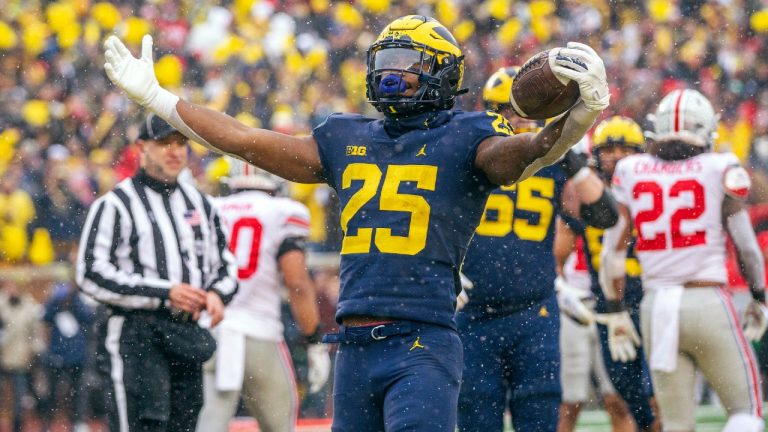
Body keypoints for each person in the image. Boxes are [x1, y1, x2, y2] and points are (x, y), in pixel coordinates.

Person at [101, 15, 610, 430]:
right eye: (384, 62)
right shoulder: (346, 137)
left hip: (422, 340)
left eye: (406, 65)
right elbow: (242, 139)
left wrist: (580, 115)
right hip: (354, 346)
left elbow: (530, 152)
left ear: (442, 73)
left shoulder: (468, 135)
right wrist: (158, 99)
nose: (391, 75)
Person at [456, 67, 617, 432]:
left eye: (528, 114)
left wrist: (571, 159)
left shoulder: (553, 160)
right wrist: (444, 269)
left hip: (534, 310)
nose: (519, 122)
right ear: (491, 114)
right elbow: (429, 216)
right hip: (474, 311)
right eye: (510, 113)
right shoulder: (468, 155)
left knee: (541, 414)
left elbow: (604, 214)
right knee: (477, 415)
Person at [599, 88, 765, 432]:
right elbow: (746, 246)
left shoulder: (632, 170)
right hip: (706, 299)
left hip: (656, 305)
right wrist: (759, 296)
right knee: (746, 410)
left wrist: (614, 309)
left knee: (676, 424)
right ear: (706, 128)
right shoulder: (720, 166)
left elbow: (612, 251)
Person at [76, 114, 239, 432]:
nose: (175, 151)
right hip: (134, 334)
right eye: (164, 143)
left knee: (184, 424)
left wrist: (218, 294)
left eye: (180, 143)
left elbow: (225, 263)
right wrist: (164, 291)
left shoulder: (201, 204)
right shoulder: (115, 205)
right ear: (142, 148)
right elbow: (90, 273)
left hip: (185, 333)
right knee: (142, 424)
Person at [196, 159, 329, 432]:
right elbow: (297, 283)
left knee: (208, 424)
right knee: (280, 426)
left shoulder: (209, 208)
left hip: (210, 331)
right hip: (259, 333)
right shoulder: (282, 211)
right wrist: (315, 339)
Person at [560, 116, 660, 431]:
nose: (616, 156)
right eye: (610, 149)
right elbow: (559, 249)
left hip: (647, 300)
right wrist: (561, 288)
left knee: (656, 393)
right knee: (624, 393)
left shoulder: (651, 188)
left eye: (625, 149)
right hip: (606, 307)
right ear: (596, 154)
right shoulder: (583, 193)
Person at [553, 230, 634, 432]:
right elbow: (554, 262)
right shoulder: (570, 212)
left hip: (610, 308)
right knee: (569, 403)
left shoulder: (612, 209)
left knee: (618, 400)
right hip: (572, 307)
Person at [41, 280, 95, 432]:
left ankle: (77, 423)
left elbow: (89, 317)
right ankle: (48, 423)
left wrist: (74, 301)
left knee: (77, 394)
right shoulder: (55, 308)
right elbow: (45, 316)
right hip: (57, 358)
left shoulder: (77, 305)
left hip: (77, 358)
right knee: (52, 393)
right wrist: (56, 301)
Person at [0, 279, 45, 432]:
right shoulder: (2, 305)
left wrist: (34, 351)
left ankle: (17, 426)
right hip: (2, 357)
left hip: (21, 358)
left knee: (19, 397)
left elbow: (35, 334)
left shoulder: (30, 307)